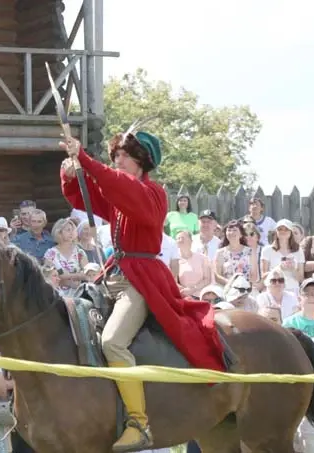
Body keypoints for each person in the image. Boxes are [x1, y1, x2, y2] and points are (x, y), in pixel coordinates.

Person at [59, 126, 225, 451]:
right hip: (114, 274)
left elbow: (117, 185)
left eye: (124, 155)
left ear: (141, 160)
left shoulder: (153, 194)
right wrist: (70, 172)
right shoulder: (122, 195)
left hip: (141, 279)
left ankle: (139, 422)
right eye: (116, 155)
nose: (118, 160)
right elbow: (84, 197)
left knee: (112, 341)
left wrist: (86, 160)